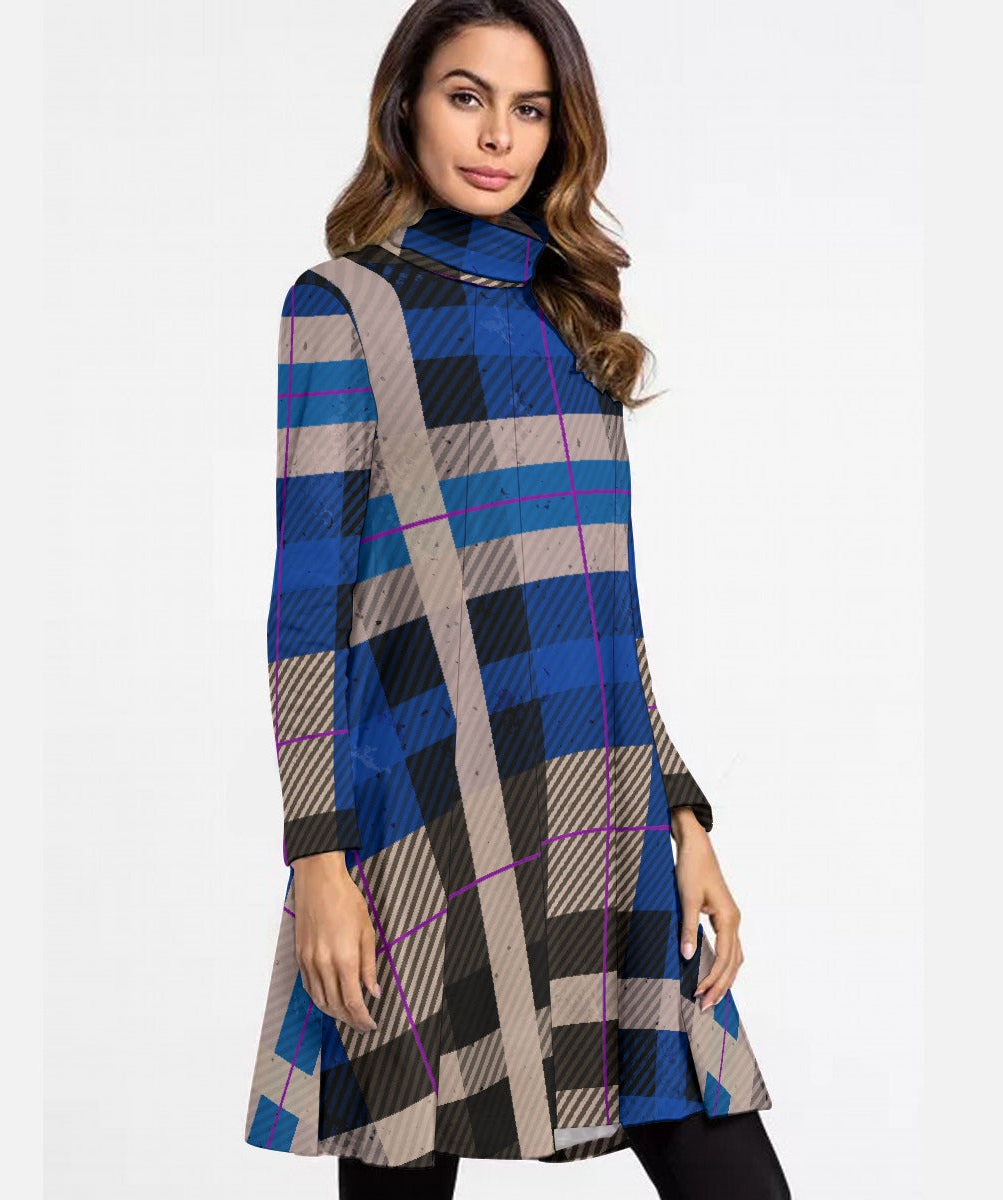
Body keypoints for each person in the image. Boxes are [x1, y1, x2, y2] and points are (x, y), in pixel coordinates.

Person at [244, 3, 791, 1197]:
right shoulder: (343, 308)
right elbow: (307, 610)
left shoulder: (571, 313)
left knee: (727, 1164)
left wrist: (683, 811)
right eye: (467, 96)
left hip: (602, 803)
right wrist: (318, 857)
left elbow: (608, 610)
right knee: (403, 1158)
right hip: (421, 815)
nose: (498, 136)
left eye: (529, 108)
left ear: (559, 131)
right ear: (406, 106)